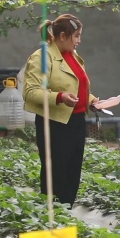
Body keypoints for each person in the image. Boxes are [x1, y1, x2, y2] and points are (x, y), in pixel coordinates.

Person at [22, 14, 97, 208]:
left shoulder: (72, 55)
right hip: (55, 124)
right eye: (77, 36)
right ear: (62, 36)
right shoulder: (42, 57)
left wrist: (92, 100)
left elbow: (76, 85)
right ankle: (52, 217)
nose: (79, 41)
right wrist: (59, 97)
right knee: (56, 174)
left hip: (76, 121)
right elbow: (31, 92)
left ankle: (67, 210)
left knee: (73, 172)